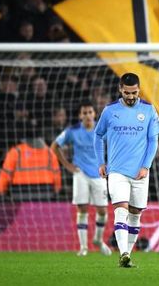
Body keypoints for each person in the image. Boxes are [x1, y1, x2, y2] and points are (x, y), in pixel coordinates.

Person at [94, 73, 159, 268]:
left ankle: (127, 255)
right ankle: (123, 252)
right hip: (117, 171)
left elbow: (153, 140)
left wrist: (146, 166)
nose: (130, 96)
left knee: (135, 214)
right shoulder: (109, 111)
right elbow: (98, 136)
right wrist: (101, 162)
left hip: (140, 173)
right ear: (120, 89)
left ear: (138, 90)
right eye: (127, 92)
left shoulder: (149, 110)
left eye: (134, 92)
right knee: (121, 211)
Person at [51, 101, 112, 257]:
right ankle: (84, 247)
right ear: (80, 116)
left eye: (90, 112)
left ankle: (98, 240)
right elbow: (54, 146)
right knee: (82, 209)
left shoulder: (103, 128)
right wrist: (67, 165)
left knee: (102, 211)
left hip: (99, 173)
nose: (87, 115)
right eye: (84, 113)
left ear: (94, 114)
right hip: (80, 173)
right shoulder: (72, 131)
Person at [0, 129, 62, 201]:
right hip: (45, 193)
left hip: (19, 193)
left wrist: (0, 192)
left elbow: (5, 173)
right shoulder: (50, 152)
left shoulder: (16, 152)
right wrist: (56, 191)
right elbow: (56, 174)